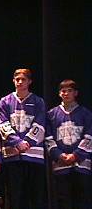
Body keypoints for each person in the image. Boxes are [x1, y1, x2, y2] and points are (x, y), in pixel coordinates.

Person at [0, 68, 47, 209]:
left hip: (34, 155)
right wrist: (18, 142)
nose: (19, 82)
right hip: (12, 155)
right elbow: (3, 125)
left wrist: (28, 142)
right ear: (13, 81)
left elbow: (40, 124)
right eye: (17, 79)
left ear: (29, 81)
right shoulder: (5, 102)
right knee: (15, 197)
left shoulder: (38, 102)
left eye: (23, 79)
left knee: (36, 197)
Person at [46, 79, 92, 209]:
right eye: (63, 91)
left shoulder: (86, 113)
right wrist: (59, 155)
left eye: (69, 91)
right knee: (63, 200)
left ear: (76, 93)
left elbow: (89, 136)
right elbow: (48, 138)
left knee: (82, 199)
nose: (66, 93)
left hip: (82, 165)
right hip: (61, 165)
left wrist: (76, 155)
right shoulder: (52, 114)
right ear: (59, 94)